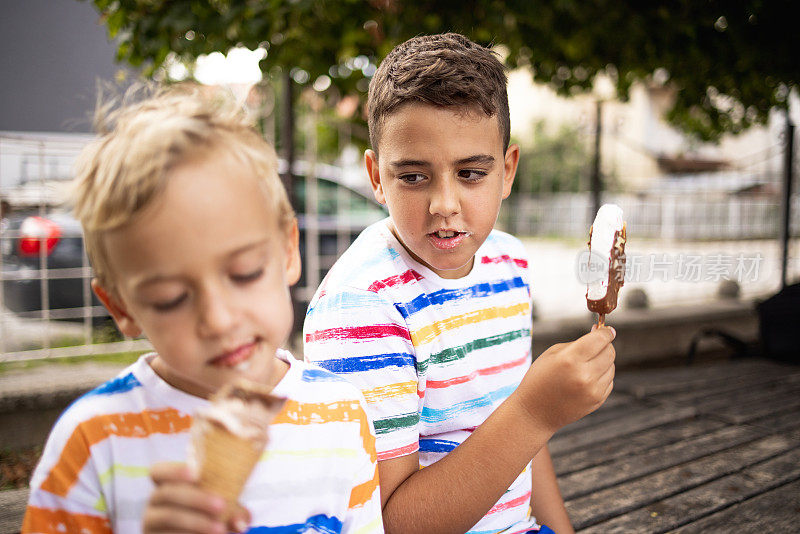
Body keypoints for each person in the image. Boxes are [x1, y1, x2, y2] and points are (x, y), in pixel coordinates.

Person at [22, 85, 383, 534]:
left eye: (246, 273)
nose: (218, 319)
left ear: (289, 251)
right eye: (171, 299)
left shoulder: (342, 415)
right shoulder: (94, 444)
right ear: (122, 308)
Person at [303, 33, 616, 534]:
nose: (444, 204)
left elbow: (520, 443)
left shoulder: (507, 263)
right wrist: (536, 411)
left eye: (471, 173)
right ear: (376, 176)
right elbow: (389, 523)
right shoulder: (360, 308)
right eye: (412, 177)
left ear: (507, 171)